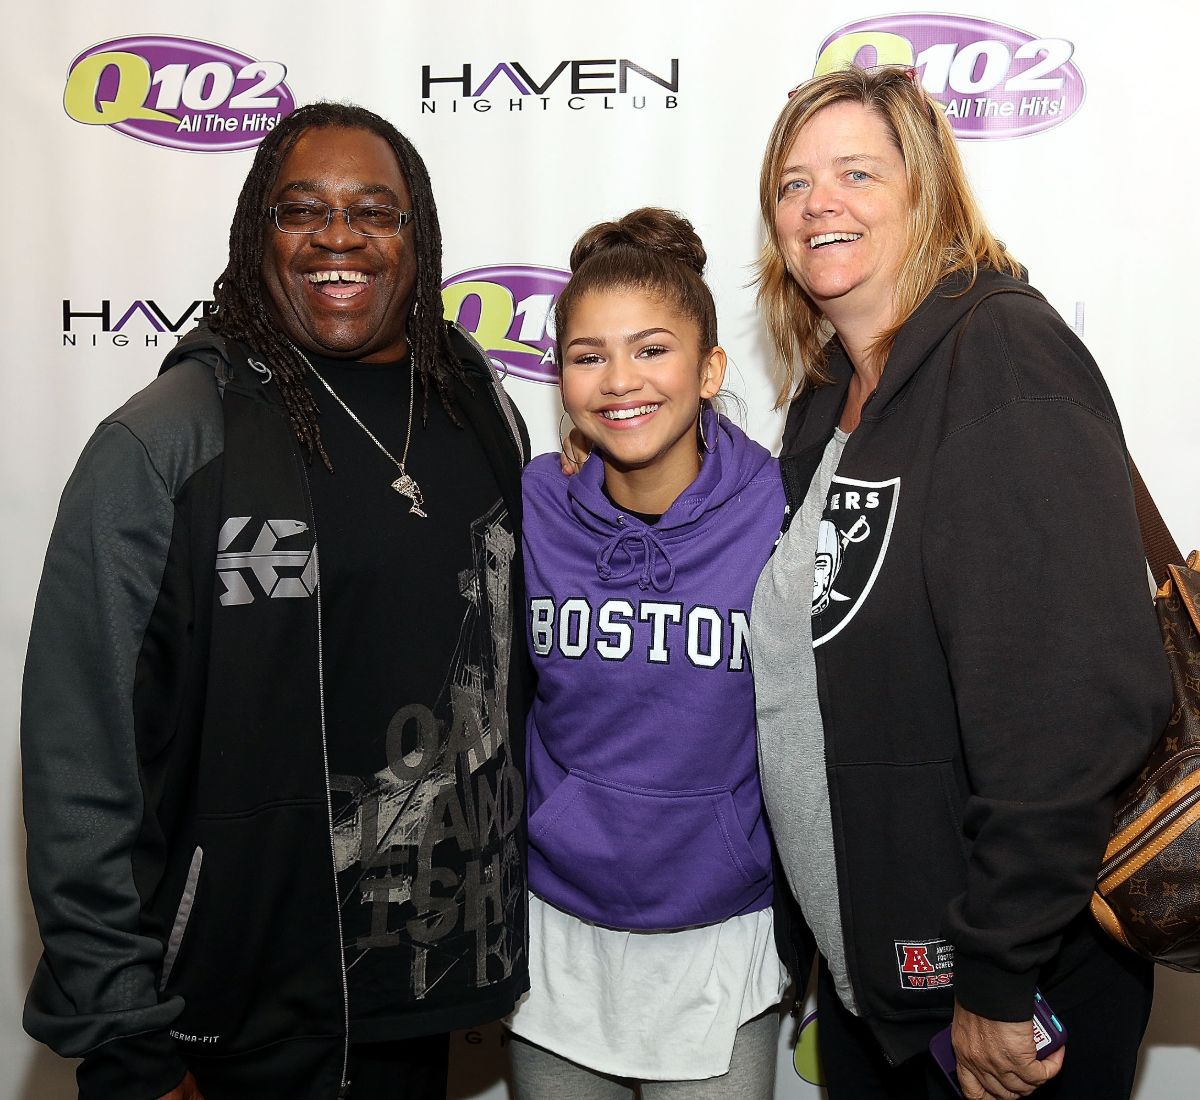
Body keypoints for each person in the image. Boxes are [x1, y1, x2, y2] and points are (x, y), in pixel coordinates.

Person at [21, 102, 530, 1100]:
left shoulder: (479, 406)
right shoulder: (168, 444)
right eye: (303, 209)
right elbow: (82, 763)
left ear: (414, 238)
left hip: (423, 995)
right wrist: (125, 1036)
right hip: (225, 1026)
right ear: (260, 234)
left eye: (374, 211)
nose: (339, 235)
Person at [750, 66, 1170, 1100]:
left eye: (856, 171)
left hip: (1004, 990)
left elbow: (1071, 702)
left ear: (926, 188)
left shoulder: (1002, 356)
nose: (820, 204)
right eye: (793, 184)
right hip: (875, 982)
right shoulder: (824, 402)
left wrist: (996, 969)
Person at [507, 208, 791, 1099]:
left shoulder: (778, 510)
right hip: (554, 930)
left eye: (652, 350)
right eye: (589, 356)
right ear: (560, 380)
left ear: (710, 371)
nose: (619, 381)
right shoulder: (534, 505)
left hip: (719, 931)